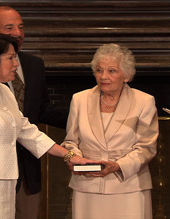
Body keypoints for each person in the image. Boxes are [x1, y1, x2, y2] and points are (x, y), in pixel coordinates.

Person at [0, 33, 94, 219]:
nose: (16, 64)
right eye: (10, 58)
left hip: (4, 179)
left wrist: (68, 155)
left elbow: (26, 130)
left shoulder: (3, 90)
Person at [61, 43, 159, 219]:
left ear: (127, 75)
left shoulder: (144, 101)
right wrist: (75, 159)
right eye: (99, 70)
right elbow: (70, 142)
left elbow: (146, 148)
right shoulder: (79, 99)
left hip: (128, 187)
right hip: (87, 187)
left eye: (112, 71)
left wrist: (117, 166)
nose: (103, 76)